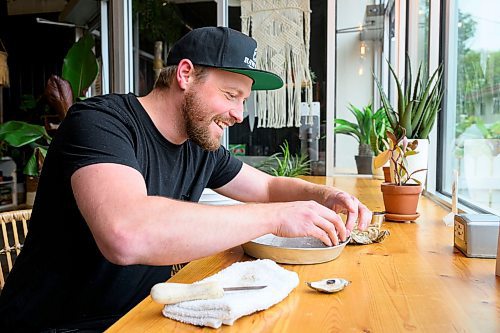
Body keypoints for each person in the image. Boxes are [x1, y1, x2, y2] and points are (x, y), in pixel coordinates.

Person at [0, 26, 371, 332]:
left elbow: (269, 187)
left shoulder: (199, 145)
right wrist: (275, 216)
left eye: (244, 100)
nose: (239, 114)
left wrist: (325, 196)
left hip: (140, 316)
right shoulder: (100, 123)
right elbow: (125, 233)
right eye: (231, 95)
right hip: (52, 325)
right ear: (185, 74)